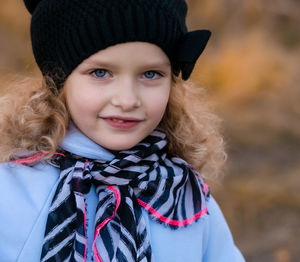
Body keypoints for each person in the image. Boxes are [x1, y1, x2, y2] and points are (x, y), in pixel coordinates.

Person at [0, 0, 245, 261]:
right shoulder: (10, 191)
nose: (127, 100)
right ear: (59, 82)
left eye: (150, 74)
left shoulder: (183, 195)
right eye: (101, 72)